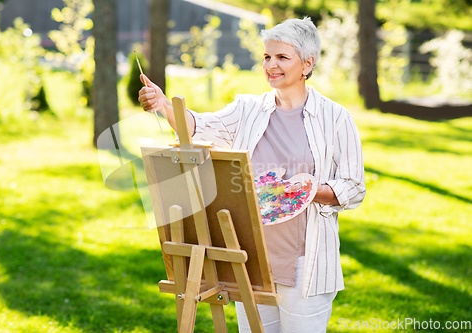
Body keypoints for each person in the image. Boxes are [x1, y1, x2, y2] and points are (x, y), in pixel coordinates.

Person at [139, 16, 366, 333]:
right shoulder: (247, 109)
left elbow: (354, 186)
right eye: (267, 56)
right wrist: (165, 105)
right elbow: (199, 127)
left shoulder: (335, 118)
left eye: (282, 57)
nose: (271, 65)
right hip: (250, 258)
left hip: (305, 263)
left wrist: (309, 190)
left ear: (307, 64)